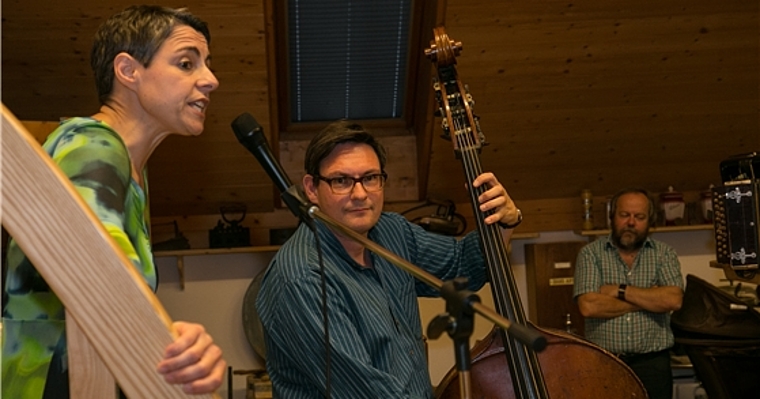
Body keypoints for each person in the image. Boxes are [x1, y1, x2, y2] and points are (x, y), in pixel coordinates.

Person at [2, 5, 225, 398]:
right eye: (187, 63)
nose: (211, 80)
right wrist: (178, 341)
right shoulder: (95, 145)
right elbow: (102, 281)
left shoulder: (129, 167)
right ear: (128, 71)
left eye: (207, 65)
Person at [255, 120, 521, 398]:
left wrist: (503, 222)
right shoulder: (301, 278)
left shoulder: (392, 231)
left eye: (370, 178)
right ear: (311, 188)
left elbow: (462, 266)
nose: (360, 194)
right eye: (342, 181)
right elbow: (367, 392)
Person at [573, 188, 684, 399]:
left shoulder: (664, 253)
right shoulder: (590, 254)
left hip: (653, 364)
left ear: (649, 221)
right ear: (612, 217)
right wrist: (649, 298)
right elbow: (588, 306)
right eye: (624, 215)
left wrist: (619, 291)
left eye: (639, 217)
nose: (631, 222)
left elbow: (674, 299)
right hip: (604, 362)